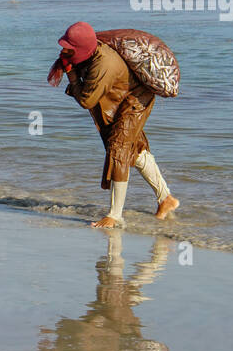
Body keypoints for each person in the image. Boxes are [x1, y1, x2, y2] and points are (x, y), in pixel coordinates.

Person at [52, 21, 177, 228]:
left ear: (82, 48)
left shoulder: (104, 64)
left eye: (69, 47)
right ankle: (166, 199)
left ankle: (115, 215)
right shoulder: (91, 54)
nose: (64, 50)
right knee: (134, 152)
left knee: (118, 150)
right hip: (121, 99)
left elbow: (86, 100)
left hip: (136, 101)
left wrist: (72, 76)